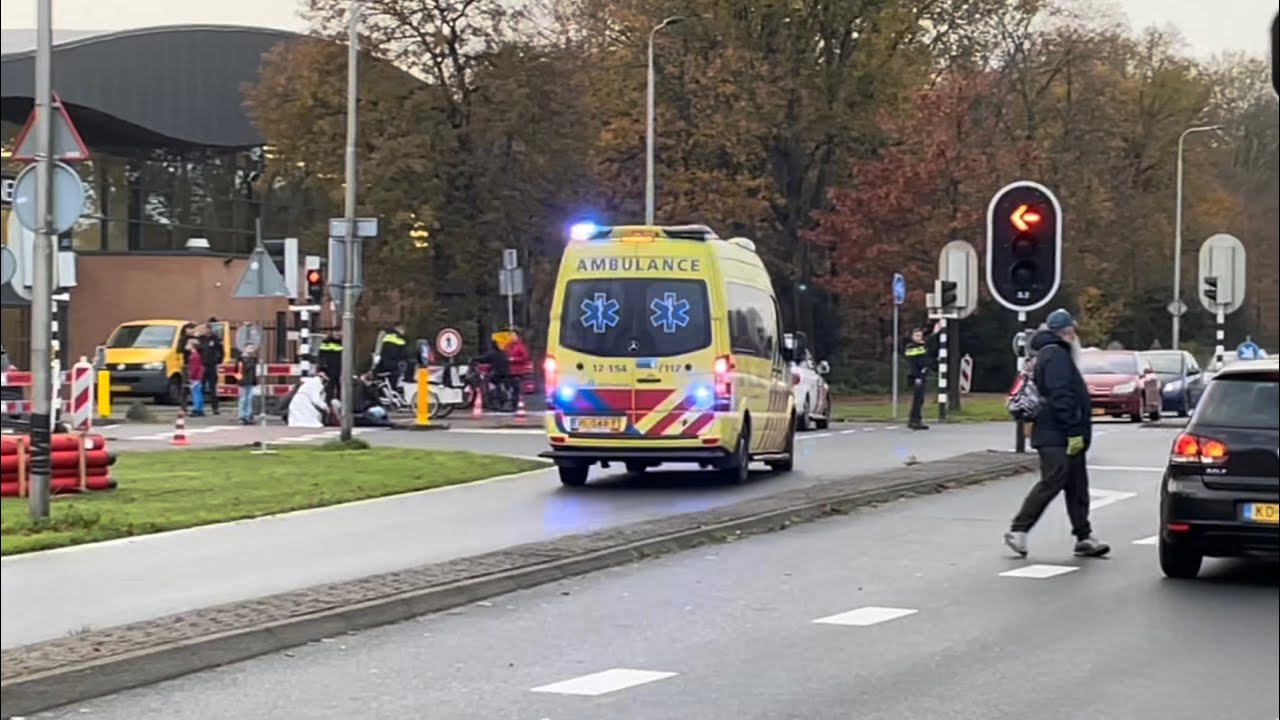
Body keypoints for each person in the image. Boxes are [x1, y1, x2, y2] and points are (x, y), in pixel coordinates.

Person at [1004, 309, 1110, 559]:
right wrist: (1074, 429)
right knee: (1054, 479)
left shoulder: (1048, 353)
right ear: (1068, 332)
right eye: (1073, 329)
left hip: (1059, 432)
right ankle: (1019, 530)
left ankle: (1084, 537)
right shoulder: (1056, 355)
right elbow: (1060, 394)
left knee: (1076, 485)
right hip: (1056, 433)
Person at [904, 324, 938, 430]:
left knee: (920, 399)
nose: (919, 338)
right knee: (917, 400)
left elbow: (926, 347)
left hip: (921, 375)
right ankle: (914, 421)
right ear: (912, 337)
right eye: (917, 336)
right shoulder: (911, 347)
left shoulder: (920, 346)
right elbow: (918, 361)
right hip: (916, 376)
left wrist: (935, 333)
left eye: (920, 336)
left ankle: (917, 420)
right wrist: (917, 377)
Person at [198, 319, 224, 415]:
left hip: (212, 366)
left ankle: (215, 408)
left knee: (213, 388)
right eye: (205, 329)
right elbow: (197, 350)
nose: (206, 331)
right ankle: (200, 408)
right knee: (201, 387)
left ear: (210, 329)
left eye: (207, 329)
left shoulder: (215, 338)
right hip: (202, 365)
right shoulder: (201, 339)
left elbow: (221, 351)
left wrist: (218, 361)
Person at [235, 343, 259, 425]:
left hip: (251, 381)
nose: (251, 349)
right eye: (249, 348)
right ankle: (242, 416)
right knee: (243, 399)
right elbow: (237, 370)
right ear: (245, 349)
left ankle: (248, 415)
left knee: (249, 399)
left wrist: (254, 380)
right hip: (244, 381)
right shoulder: (241, 359)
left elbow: (254, 371)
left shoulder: (253, 359)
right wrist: (240, 380)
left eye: (252, 348)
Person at [186, 338, 206, 416]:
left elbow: (194, 368)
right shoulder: (196, 355)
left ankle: (197, 409)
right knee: (198, 393)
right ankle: (200, 408)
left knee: (196, 393)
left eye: (188, 344)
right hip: (198, 377)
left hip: (195, 378)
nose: (186, 346)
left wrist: (191, 377)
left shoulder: (193, 356)